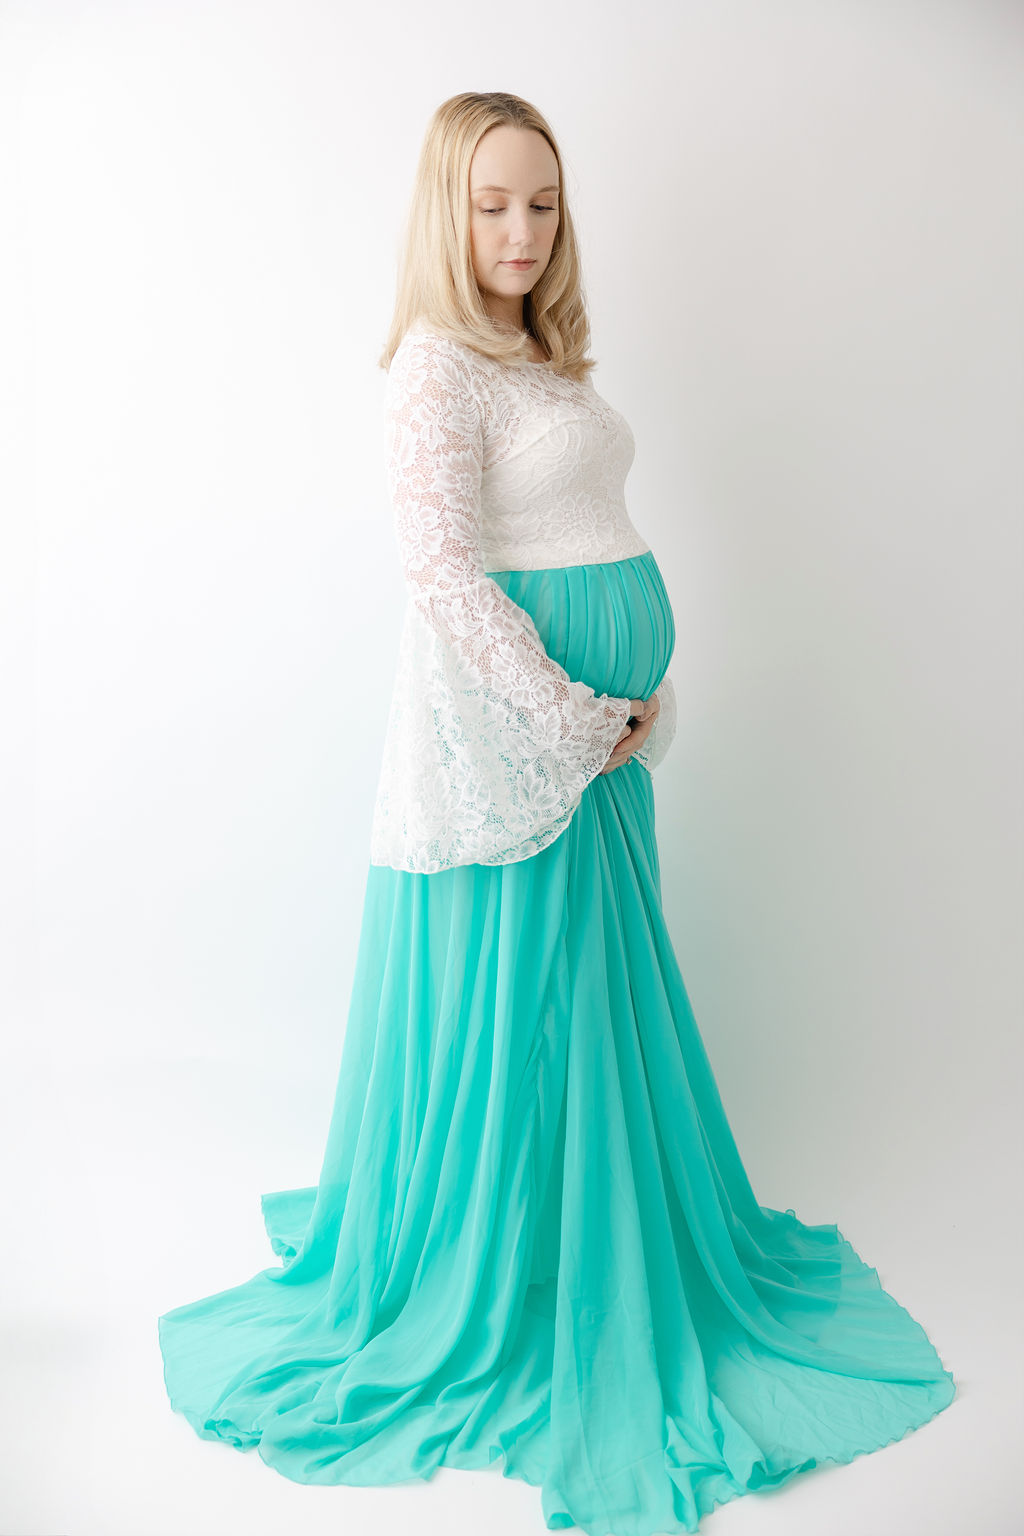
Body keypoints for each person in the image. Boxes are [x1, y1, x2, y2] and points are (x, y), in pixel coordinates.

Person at [158, 91, 956, 1536]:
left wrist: (649, 704)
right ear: (444, 213)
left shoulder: (542, 356)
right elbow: (446, 583)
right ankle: (499, 1279)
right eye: (493, 204)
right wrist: (586, 721)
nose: (522, 232)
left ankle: (581, 1246)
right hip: (523, 757)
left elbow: (592, 539)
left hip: (594, 760)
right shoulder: (434, 369)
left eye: (543, 203)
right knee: (527, 1009)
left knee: (589, 1014)